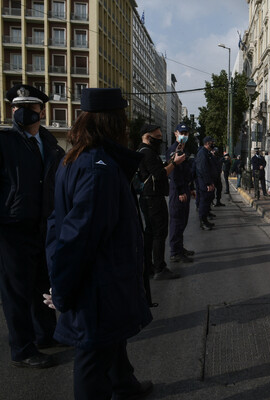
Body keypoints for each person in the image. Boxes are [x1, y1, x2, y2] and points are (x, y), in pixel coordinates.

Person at [45, 88, 153, 399]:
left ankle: (123, 385)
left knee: (111, 342)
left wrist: (57, 275)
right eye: (123, 120)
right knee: (92, 358)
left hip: (102, 285)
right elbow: (76, 238)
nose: (127, 128)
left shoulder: (78, 158)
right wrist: (61, 290)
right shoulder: (97, 169)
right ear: (111, 122)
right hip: (99, 289)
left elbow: (57, 223)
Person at [0, 84, 64, 368]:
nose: (21, 112)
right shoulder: (4, 141)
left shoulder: (50, 143)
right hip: (12, 226)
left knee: (43, 283)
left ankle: (46, 335)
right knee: (16, 291)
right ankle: (23, 350)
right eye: (16, 107)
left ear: (41, 110)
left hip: (43, 224)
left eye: (28, 107)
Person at [138, 124, 185, 282]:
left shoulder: (144, 151)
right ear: (147, 136)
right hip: (153, 198)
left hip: (149, 197)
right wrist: (176, 163)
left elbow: (160, 169)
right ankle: (159, 268)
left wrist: (172, 160)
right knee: (159, 233)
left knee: (151, 233)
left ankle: (149, 266)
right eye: (157, 137)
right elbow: (160, 174)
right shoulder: (147, 153)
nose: (160, 140)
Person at [166, 123, 196, 263]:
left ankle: (179, 247)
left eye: (186, 133)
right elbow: (174, 173)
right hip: (177, 190)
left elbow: (187, 171)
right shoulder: (174, 150)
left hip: (185, 188)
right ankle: (175, 252)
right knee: (177, 221)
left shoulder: (184, 149)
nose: (184, 135)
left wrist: (191, 188)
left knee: (183, 221)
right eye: (181, 133)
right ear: (175, 133)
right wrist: (179, 191)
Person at [195, 136, 217, 229]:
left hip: (208, 181)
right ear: (207, 143)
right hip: (204, 183)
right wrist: (208, 183)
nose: (213, 144)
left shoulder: (206, 153)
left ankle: (205, 219)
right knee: (204, 202)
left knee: (207, 201)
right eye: (212, 142)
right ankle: (203, 222)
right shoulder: (202, 153)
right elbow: (203, 169)